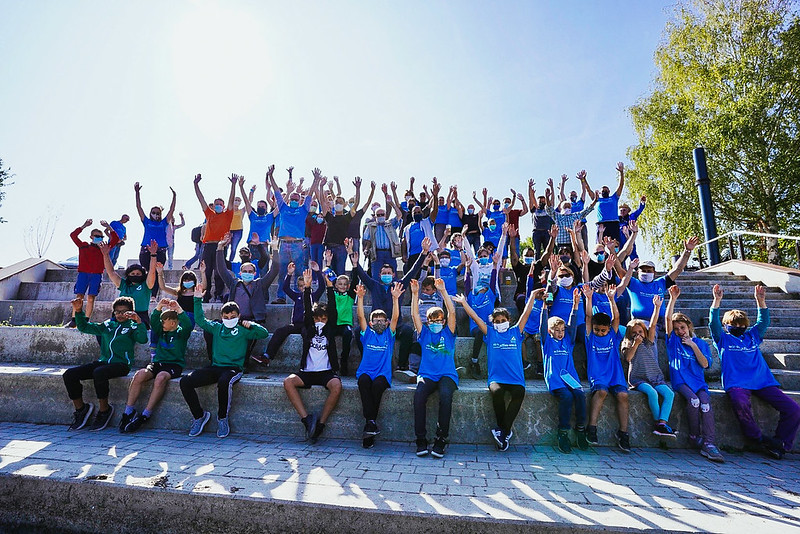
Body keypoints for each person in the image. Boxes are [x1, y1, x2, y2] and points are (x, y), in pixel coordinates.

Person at [710, 284, 800, 459]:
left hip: (762, 381)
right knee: (740, 402)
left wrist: (761, 301)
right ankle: (757, 438)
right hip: (737, 383)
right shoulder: (723, 339)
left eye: (742, 324)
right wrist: (717, 300)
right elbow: (713, 323)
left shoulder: (752, 336)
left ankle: (780, 444)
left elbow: (763, 322)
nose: (738, 326)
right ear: (726, 325)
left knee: (793, 409)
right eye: (734, 324)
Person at [455, 289, 537, 451]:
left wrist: (533, 296)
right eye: (497, 321)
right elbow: (476, 318)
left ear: (509, 320)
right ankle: (504, 431)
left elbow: (526, 314)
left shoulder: (516, 331)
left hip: (515, 379)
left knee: (519, 392)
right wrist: (464, 303)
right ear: (493, 323)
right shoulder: (490, 333)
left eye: (503, 320)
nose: (500, 323)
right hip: (496, 379)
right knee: (497, 392)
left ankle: (502, 431)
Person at [181, 297, 269, 438]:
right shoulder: (217, 328)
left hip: (233, 368)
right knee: (185, 381)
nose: (229, 319)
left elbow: (263, 333)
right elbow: (200, 320)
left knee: (224, 382)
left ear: (238, 316)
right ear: (221, 317)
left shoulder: (242, 329)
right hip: (215, 367)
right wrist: (197, 299)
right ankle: (199, 416)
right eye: (226, 317)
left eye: (233, 316)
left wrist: (251, 324)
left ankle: (222, 418)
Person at [63, 296, 146, 431]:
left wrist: (138, 322)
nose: (120, 315)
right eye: (117, 312)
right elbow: (85, 327)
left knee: (99, 372)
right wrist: (78, 311)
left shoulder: (132, 327)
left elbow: (142, 339)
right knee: (69, 375)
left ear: (131, 312)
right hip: (103, 362)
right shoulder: (108, 325)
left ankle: (104, 410)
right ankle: (81, 409)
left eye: (124, 312)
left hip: (121, 364)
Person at [351, 238, 431, 373]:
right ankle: (367, 358)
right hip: (375, 324)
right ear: (379, 275)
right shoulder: (374, 285)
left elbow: (412, 271)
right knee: (359, 331)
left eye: (389, 273)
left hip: (395, 325)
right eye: (384, 273)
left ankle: (401, 365)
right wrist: (354, 262)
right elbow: (362, 275)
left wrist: (424, 253)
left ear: (394, 274)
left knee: (407, 332)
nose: (386, 275)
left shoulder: (399, 285)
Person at [282, 269, 343, 444]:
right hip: (307, 372)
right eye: (318, 319)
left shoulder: (329, 329)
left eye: (323, 319)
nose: (320, 321)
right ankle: (307, 420)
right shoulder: (308, 328)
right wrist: (307, 288)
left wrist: (330, 287)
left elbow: (332, 309)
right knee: (288, 382)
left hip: (326, 372)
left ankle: (320, 424)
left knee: (337, 385)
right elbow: (308, 311)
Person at [665, 285, 724, 462]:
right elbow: (668, 319)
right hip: (681, 381)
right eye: (677, 329)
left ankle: (709, 444)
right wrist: (673, 299)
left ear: (689, 326)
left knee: (705, 403)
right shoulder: (673, 341)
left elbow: (705, 364)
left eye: (682, 327)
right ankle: (694, 436)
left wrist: (693, 345)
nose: (679, 331)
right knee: (694, 400)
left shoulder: (700, 343)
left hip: (698, 382)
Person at [120, 298, 192, 433]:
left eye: (164, 322)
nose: (161, 324)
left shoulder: (181, 333)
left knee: (161, 377)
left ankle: (146, 414)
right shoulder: (161, 331)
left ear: (172, 323)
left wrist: (178, 309)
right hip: (157, 363)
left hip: (173, 365)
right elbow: (154, 321)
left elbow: (188, 324)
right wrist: (159, 306)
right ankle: (128, 411)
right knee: (140, 374)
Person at [410, 278, 458, 458]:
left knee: (446, 396)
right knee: (419, 396)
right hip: (427, 374)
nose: (436, 322)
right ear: (428, 321)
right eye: (432, 320)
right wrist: (415, 294)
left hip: (447, 374)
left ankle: (441, 438)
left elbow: (452, 312)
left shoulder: (448, 332)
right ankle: (421, 439)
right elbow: (415, 315)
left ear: (443, 321)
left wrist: (443, 291)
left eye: (439, 319)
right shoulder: (424, 334)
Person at [215, 232, 280, 363]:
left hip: (252, 321)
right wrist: (220, 248)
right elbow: (222, 269)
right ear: (240, 273)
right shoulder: (234, 283)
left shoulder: (260, 284)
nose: (247, 273)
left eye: (250, 272)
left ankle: (242, 363)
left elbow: (274, 270)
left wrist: (275, 249)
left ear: (255, 273)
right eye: (245, 271)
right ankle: (215, 360)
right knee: (211, 330)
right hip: (233, 319)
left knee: (245, 342)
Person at [581, 284, 631, 452]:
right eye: (597, 330)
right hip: (598, 374)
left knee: (623, 395)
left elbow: (616, 318)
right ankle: (592, 427)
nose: (600, 332)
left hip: (615, 374)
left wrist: (611, 299)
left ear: (608, 329)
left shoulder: (612, 335)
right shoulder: (590, 338)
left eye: (603, 330)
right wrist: (588, 298)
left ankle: (623, 433)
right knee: (601, 392)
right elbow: (588, 317)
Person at [539, 287, 588, 453]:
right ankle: (563, 432)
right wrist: (545, 306)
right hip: (556, 379)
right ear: (550, 331)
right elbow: (543, 325)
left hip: (570, 378)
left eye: (562, 330)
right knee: (566, 397)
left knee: (580, 395)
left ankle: (581, 429)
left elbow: (573, 325)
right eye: (556, 330)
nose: (560, 333)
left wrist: (575, 305)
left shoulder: (568, 341)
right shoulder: (547, 342)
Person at [355, 282, 403, 449]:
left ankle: (369, 423)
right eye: (376, 320)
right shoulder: (367, 334)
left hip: (382, 374)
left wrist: (395, 299)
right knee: (363, 382)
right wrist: (360, 298)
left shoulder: (389, 336)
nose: (380, 323)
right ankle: (371, 422)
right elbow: (361, 317)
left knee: (377, 386)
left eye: (383, 320)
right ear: (371, 323)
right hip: (365, 371)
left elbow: (396, 318)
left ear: (387, 322)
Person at [621, 296, 677, 438]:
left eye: (640, 332)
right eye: (634, 333)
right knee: (652, 393)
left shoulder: (649, 342)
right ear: (629, 334)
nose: (638, 335)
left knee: (669, 394)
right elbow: (628, 358)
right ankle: (659, 424)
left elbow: (652, 325)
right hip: (638, 379)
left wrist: (657, 308)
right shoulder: (627, 344)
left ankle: (662, 423)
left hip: (655, 377)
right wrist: (635, 343)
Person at [267, 166, 318, 303]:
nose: (295, 200)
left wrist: (315, 180)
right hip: (283, 244)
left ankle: (299, 297)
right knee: (282, 271)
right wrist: (271, 176)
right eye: (293, 198)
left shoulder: (303, 209)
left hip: (298, 245)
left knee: (299, 272)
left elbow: (310, 194)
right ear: (289, 200)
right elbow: (276, 191)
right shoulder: (283, 207)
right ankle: (281, 297)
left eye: (297, 198)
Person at [261, 260, 325, 365]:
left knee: (307, 336)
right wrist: (289, 274)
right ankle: (267, 355)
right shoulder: (297, 296)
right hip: (296, 324)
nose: (303, 287)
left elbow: (322, 287)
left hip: (308, 325)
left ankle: (307, 362)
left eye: (305, 284)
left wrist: (318, 272)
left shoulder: (314, 296)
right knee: (280, 331)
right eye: (301, 286)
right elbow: (285, 288)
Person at [66, 219, 120, 327]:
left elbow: (116, 239)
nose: (99, 238)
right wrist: (84, 225)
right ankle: (74, 319)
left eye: (101, 236)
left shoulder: (104, 248)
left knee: (91, 297)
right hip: (83, 274)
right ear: (91, 237)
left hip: (96, 275)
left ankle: (86, 320)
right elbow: (73, 235)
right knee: (79, 296)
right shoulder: (84, 246)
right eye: (96, 235)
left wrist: (108, 227)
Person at [193, 173, 237, 302]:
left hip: (221, 246)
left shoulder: (228, 214)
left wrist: (233, 185)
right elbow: (201, 200)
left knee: (219, 271)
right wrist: (196, 185)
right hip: (208, 245)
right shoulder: (209, 214)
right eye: (216, 203)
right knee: (206, 271)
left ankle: (218, 295)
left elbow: (231, 200)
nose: (218, 205)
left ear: (223, 206)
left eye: (220, 204)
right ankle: (206, 295)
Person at [100, 241, 157, 331]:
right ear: (128, 275)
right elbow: (111, 272)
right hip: (120, 315)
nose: (135, 275)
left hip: (140, 316)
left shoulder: (146, 285)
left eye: (138, 274)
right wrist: (106, 254)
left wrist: (153, 255)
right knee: (103, 331)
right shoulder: (123, 285)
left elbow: (152, 272)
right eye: (133, 273)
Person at [134, 182, 176, 297]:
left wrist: (174, 197)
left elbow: (172, 210)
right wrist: (137, 193)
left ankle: (153, 295)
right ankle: (143, 292)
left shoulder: (164, 222)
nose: (156, 215)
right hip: (146, 250)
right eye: (154, 213)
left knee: (157, 272)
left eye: (158, 213)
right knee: (146, 271)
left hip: (160, 251)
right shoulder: (146, 221)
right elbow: (139, 207)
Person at [465, 250, 500, 379]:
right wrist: (467, 268)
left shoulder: (490, 295)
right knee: (480, 332)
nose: (481, 287)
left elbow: (493, 280)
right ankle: (474, 361)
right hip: (475, 328)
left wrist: (495, 266)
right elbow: (466, 283)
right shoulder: (471, 298)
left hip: (489, 327)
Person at [328, 241, 359, 376]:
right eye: (339, 283)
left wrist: (355, 265)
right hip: (333, 323)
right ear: (335, 285)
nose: (342, 285)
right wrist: (328, 264)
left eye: (344, 284)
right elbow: (327, 279)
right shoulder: (332, 293)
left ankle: (344, 360)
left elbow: (355, 281)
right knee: (327, 336)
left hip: (344, 324)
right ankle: (333, 365)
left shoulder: (350, 296)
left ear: (347, 286)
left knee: (348, 334)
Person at [585, 162, 625, 243]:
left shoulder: (614, 198)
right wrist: (584, 179)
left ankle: (615, 255)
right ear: (600, 192)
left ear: (609, 191)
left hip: (614, 223)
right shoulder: (597, 199)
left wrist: (621, 172)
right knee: (600, 245)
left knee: (616, 244)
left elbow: (621, 185)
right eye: (603, 190)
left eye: (606, 190)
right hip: (601, 224)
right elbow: (588, 190)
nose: (605, 191)